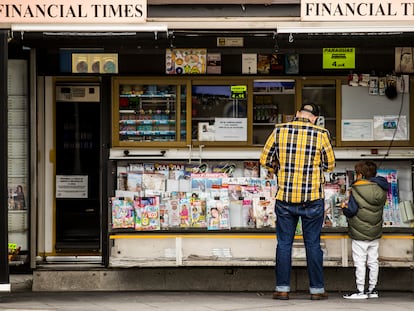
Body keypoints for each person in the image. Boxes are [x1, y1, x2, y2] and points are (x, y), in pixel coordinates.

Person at [260, 103, 335, 301]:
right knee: (313, 244)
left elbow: (264, 159)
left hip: (285, 199)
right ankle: (317, 290)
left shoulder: (279, 130)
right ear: (315, 118)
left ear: (297, 114)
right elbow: (330, 165)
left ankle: (282, 289)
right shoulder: (321, 133)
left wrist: (279, 168)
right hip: (312, 198)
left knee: (284, 244)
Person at [342, 160, 388, 300]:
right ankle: (372, 290)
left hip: (359, 233)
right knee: (373, 261)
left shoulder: (356, 189)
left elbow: (352, 211)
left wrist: (344, 207)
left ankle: (360, 291)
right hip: (375, 232)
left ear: (360, 175)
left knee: (360, 262)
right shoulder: (381, 189)